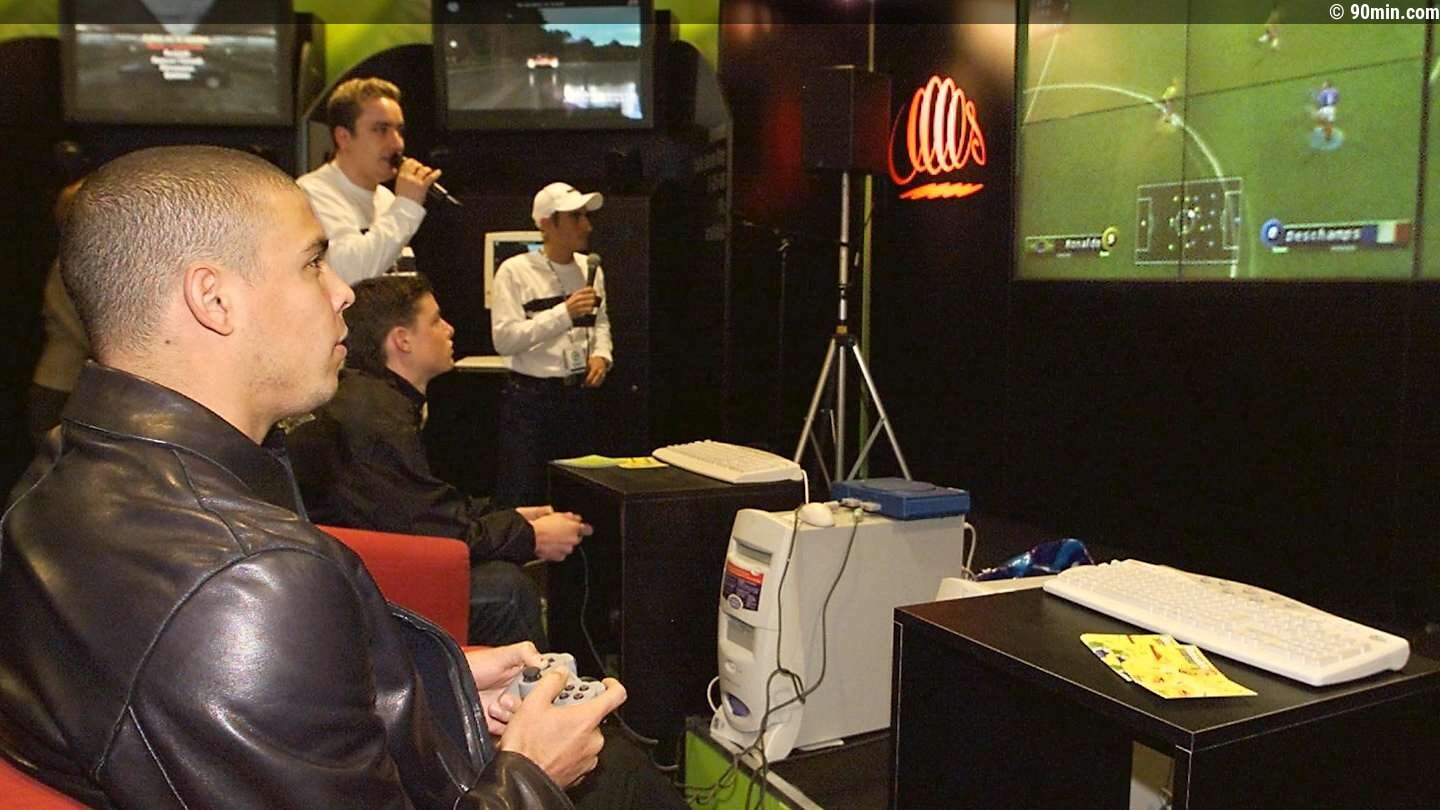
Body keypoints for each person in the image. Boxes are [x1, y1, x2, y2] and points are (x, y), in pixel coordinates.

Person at [0, 145, 623, 808]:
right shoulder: (251, 582)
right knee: (623, 779)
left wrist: (426, 681)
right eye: (313, 262)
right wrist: (532, 774)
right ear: (213, 299)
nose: (343, 290)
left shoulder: (52, 479)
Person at [289, 274, 592, 647]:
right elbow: (427, 528)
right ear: (402, 340)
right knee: (507, 590)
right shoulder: (375, 417)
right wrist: (529, 536)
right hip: (351, 593)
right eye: (434, 321)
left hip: (349, 572)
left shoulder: (373, 401)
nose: (449, 329)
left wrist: (512, 517)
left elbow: (421, 507)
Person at [490, 182, 613, 507]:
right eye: (575, 217)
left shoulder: (590, 267)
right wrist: (564, 314)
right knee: (524, 492)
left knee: (578, 493)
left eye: (585, 216)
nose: (586, 225)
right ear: (547, 223)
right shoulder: (515, 271)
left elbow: (600, 322)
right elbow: (504, 340)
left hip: (578, 397)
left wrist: (601, 355)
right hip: (530, 401)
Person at [297, 77, 442, 284]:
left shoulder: (386, 199)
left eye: (399, 131)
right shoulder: (312, 194)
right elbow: (349, 275)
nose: (397, 143)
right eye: (381, 129)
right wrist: (407, 207)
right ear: (343, 137)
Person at [27, 179, 89, 449]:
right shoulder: (74, 264)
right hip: (64, 385)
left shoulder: (72, 261)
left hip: (62, 382)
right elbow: (85, 332)